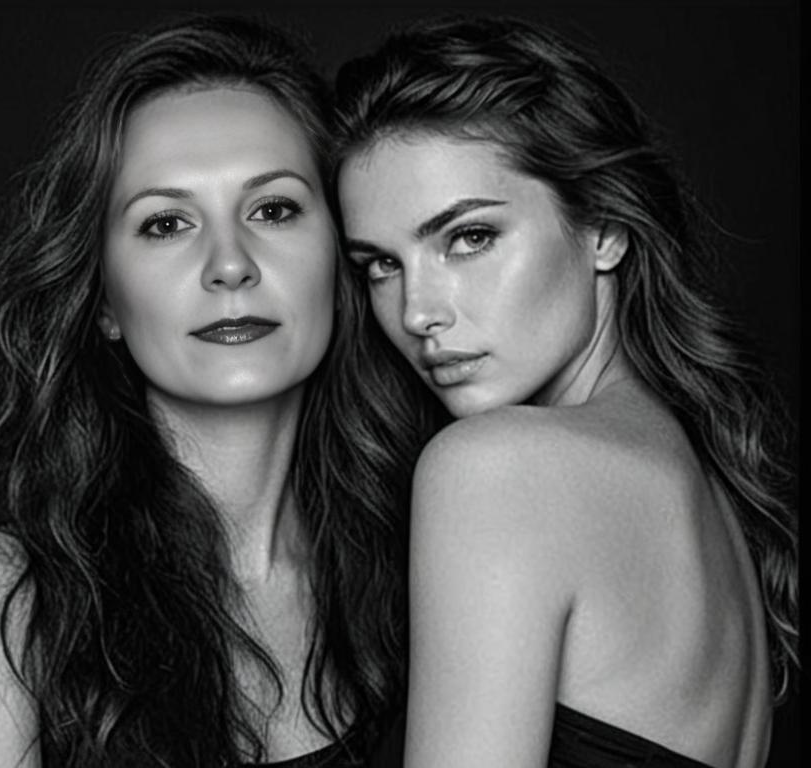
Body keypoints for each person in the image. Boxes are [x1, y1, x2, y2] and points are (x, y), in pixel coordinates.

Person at [0, 15, 428, 767]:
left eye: (273, 209)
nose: (229, 265)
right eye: (166, 223)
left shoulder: (443, 570)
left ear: (343, 264)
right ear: (106, 302)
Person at [333, 15, 798, 768]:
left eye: (469, 238)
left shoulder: (496, 468)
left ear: (605, 230)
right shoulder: (704, 488)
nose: (418, 311)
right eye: (380, 265)